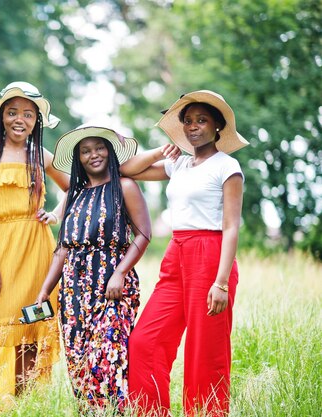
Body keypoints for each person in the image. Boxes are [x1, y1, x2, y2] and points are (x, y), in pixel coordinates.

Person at [122, 90, 249, 416]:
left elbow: (231, 226)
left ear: (218, 126)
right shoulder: (178, 165)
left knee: (205, 351)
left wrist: (220, 282)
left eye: (201, 120)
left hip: (210, 255)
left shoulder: (227, 165)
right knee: (144, 342)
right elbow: (127, 170)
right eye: (188, 121)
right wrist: (157, 152)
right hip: (176, 254)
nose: (193, 126)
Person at [0, 81, 70, 401]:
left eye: (29, 114)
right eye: (13, 112)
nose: (20, 119)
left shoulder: (41, 154)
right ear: (1, 115)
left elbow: (75, 187)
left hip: (35, 250)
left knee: (28, 329)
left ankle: (23, 405)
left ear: (37, 121)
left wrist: (56, 214)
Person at [35, 125, 152, 412]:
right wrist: (44, 291)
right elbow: (63, 248)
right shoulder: (74, 195)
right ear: (78, 159)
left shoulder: (124, 187)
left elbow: (143, 234)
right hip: (74, 294)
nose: (94, 155)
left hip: (113, 288)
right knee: (79, 364)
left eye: (99, 147)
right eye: (85, 151)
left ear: (110, 151)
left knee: (109, 359)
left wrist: (121, 272)